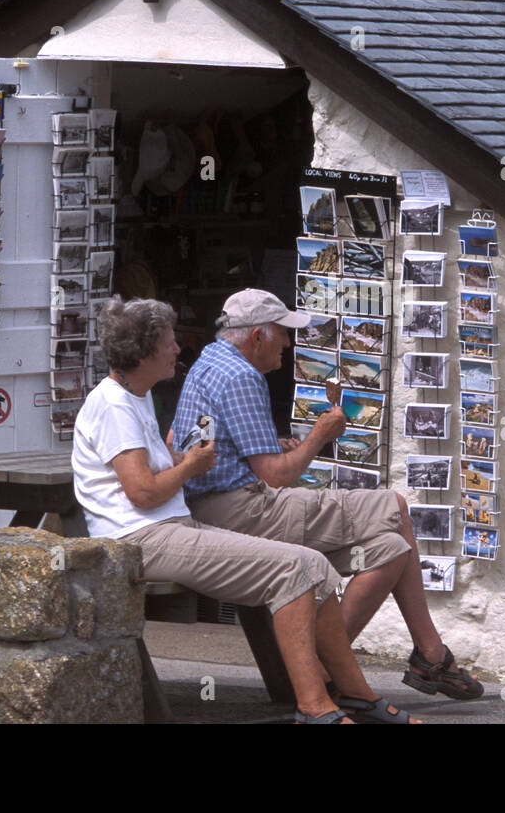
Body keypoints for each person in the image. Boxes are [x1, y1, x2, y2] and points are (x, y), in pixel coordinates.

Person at [73, 296, 420, 723]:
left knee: (313, 567)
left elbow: (150, 471)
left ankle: (355, 696)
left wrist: (182, 459)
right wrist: (191, 467)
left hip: (171, 527)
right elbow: (143, 493)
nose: (178, 348)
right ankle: (314, 706)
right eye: (168, 342)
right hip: (141, 540)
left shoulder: (136, 395)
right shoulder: (112, 405)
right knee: (297, 569)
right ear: (144, 352)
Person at [173, 289, 484, 700]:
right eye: (283, 333)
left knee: (390, 547)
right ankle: (424, 654)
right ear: (257, 336)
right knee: (393, 505)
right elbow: (277, 476)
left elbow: (194, 442)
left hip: (212, 506)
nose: (289, 343)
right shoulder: (243, 377)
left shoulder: (209, 363)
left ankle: (335, 667)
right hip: (244, 512)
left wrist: (273, 445)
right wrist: (319, 436)